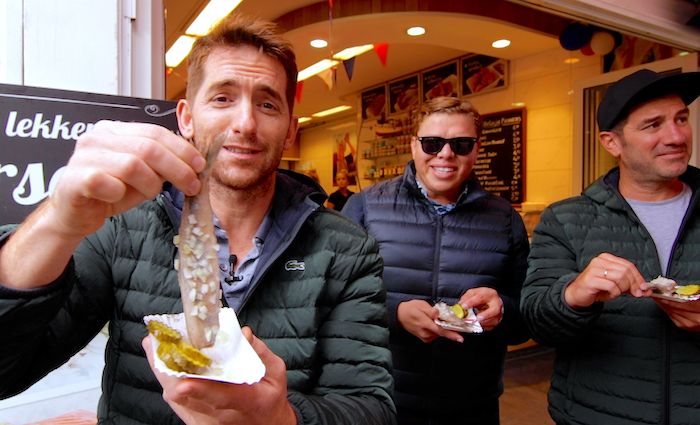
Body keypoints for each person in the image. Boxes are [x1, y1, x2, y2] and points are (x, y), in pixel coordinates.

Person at [0, 14, 395, 425]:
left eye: (267, 103)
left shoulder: (346, 248)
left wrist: (280, 417)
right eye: (222, 98)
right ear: (186, 118)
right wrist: (58, 222)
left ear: (290, 130)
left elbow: (371, 407)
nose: (245, 124)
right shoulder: (123, 228)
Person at [521, 68, 700, 425]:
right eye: (653, 125)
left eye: (682, 118)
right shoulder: (566, 218)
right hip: (596, 414)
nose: (677, 135)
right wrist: (572, 294)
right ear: (611, 143)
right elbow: (537, 321)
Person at [342, 96, 530, 425]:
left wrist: (504, 309)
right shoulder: (364, 208)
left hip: (472, 403)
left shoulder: (504, 219)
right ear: (414, 145)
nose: (445, 154)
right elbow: (332, 301)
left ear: (477, 149)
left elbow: (526, 316)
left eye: (461, 144)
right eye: (432, 143)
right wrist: (394, 313)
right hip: (379, 400)